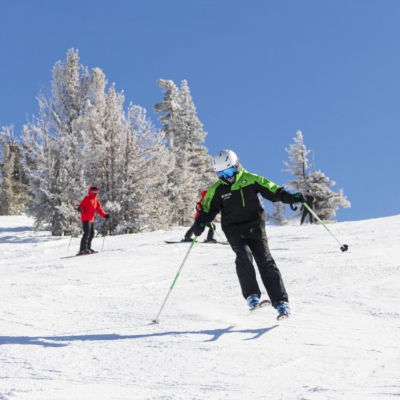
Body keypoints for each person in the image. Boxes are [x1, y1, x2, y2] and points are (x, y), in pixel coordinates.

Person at [193, 149, 305, 320]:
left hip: (255, 227)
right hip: (233, 229)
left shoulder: (251, 180)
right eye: (221, 173)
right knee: (243, 257)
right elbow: (207, 209)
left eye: (229, 171)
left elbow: (273, 191)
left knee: (265, 260)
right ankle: (252, 295)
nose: (227, 177)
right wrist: (200, 221)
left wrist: (290, 197)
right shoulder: (217, 190)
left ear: (237, 166)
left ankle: (281, 302)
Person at [77, 186, 110, 255]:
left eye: (95, 191)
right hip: (85, 218)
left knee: (91, 234)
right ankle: (82, 249)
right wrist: (80, 208)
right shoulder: (87, 198)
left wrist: (105, 215)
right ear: (90, 191)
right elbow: (81, 205)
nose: (94, 193)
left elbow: (100, 210)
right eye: (93, 191)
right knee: (87, 233)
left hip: (91, 219)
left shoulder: (96, 201)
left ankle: (87, 248)